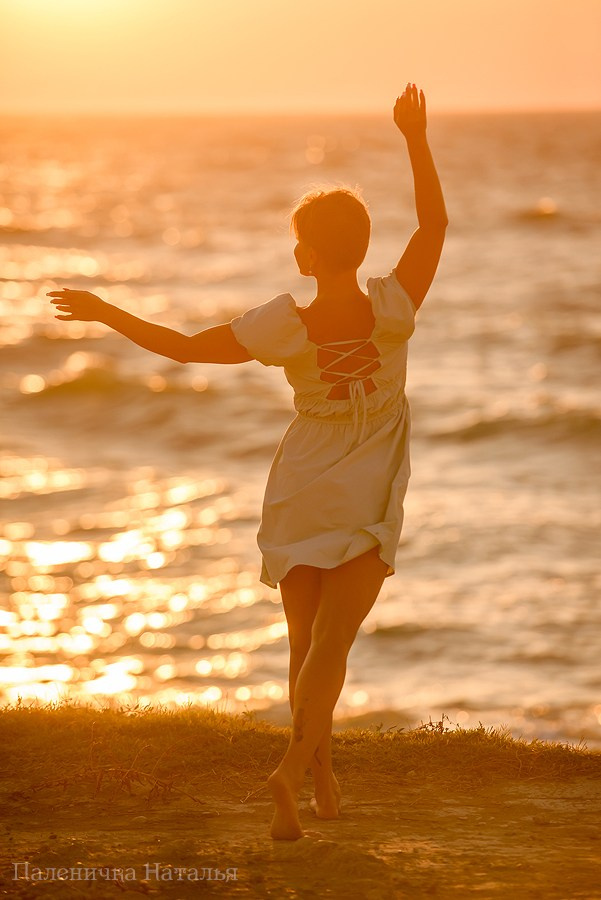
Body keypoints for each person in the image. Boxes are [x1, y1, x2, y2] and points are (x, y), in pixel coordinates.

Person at [48, 83, 447, 841]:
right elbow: (433, 222)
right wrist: (414, 137)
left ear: (307, 251)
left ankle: (323, 779)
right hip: (362, 486)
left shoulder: (282, 328)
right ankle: (292, 771)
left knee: (304, 645)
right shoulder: (394, 308)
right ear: (359, 248)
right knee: (332, 645)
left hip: (300, 483)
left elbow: (186, 347)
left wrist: (107, 311)